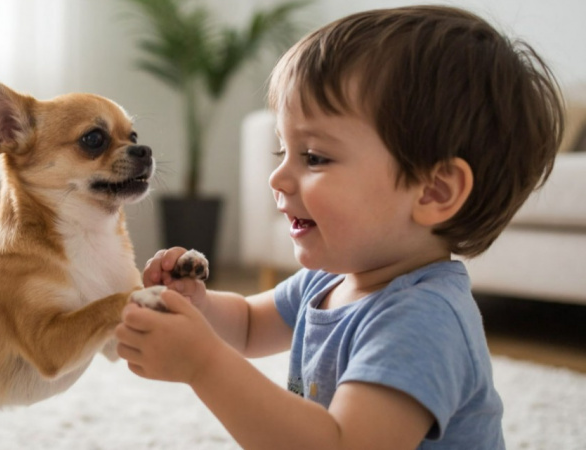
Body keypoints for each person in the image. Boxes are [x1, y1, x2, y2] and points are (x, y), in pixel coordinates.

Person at [115, 5, 564, 449]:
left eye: (315, 157)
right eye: (282, 152)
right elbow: (250, 325)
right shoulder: (329, 280)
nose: (277, 178)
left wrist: (203, 364)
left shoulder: (424, 320)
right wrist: (198, 306)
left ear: (434, 192)